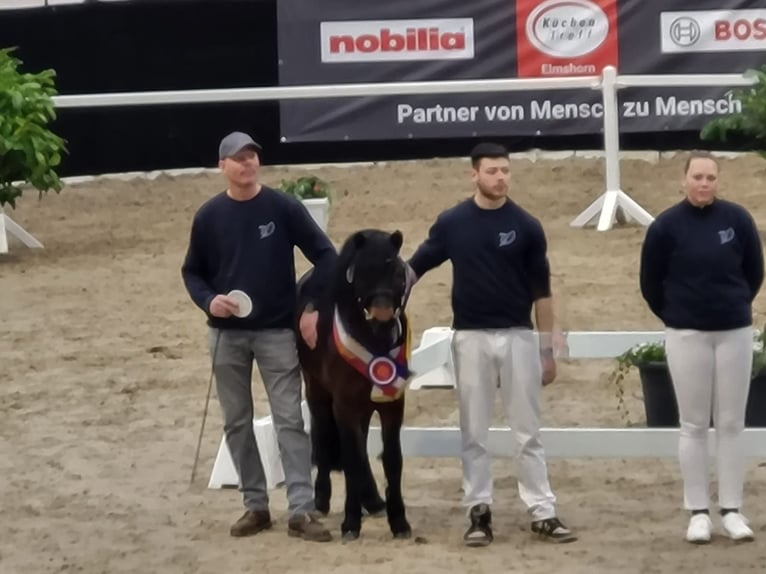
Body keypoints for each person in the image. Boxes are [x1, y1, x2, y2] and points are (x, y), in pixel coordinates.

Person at [406, 142, 576, 546]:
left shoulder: (527, 226)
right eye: (492, 171)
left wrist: (547, 349)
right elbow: (416, 267)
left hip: (517, 336)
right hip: (469, 338)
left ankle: (542, 510)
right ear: (474, 175)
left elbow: (543, 292)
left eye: (505, 171)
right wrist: (385, 303)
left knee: (528, 431)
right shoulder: (452, 223)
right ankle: (478, 511)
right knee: (474, 432)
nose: (500, 177)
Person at [181, 131, 337, 541]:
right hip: (225, 335)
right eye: (238, 158)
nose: (247, 163)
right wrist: (209, 300)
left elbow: (326, 256)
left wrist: (310, 307)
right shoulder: (209, 216)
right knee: (237, 421)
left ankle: (301, 509)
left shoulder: (283, 207)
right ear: (223, 166)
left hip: (274, 332)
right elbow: (191, 271)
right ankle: (256, 504)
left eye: (252, 157)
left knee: (289, 419)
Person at [639, 150, 764, 544]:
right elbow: (650, 282)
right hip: (686, 333)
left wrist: (736, 304)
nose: (704, 183)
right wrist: (677, 314)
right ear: (684, 179)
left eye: (711, 177)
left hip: (734, 331)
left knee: (731, 423)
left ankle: (731, 508)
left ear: (718, 180)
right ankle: (697, 510)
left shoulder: (737, 220)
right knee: (693, 424)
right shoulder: (665, 227)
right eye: (698, 176)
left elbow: (754, 271)